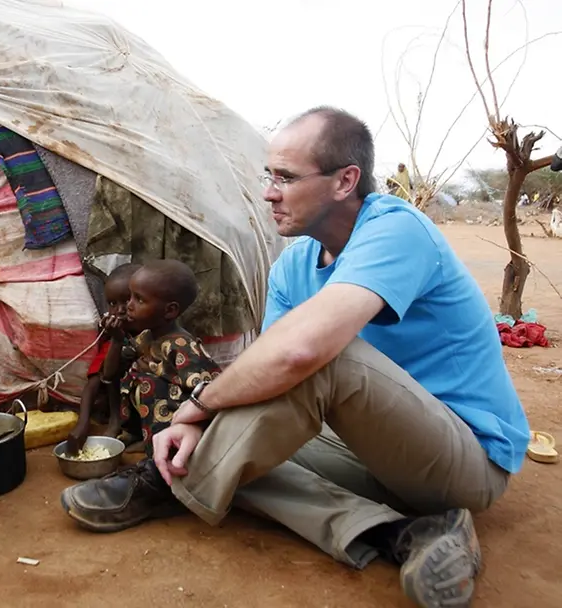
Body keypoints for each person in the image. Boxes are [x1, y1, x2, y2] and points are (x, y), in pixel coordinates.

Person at [59, 107, 529, 608]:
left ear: (345, 181)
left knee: (318, 359)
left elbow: (303, 351)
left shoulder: (396, 230)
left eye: (285, 178)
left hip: (461, 459)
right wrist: (204, 423)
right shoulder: (293, 267)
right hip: (367, 450)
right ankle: (397, 533)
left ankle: (170, 485)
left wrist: (199, 406)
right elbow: (267, 369)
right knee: (225, 445)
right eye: (269, 176)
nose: (269, 192)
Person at [102, 260, 220, 456]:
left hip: (185, 421)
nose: (128, 306)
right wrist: (116, 339)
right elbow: (109, 374)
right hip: (160, 413)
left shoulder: (182, 346)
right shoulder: (147, 337)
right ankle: (140, 435)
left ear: (170, 310)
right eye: (130, 297)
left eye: (139, 300)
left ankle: (161, 452)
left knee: (150, 385)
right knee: (133, 375)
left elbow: (205, 393)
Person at [67, 263, 140, 452]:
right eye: (113, 303)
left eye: (127, 300)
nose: (120, 310)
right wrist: (82, 423)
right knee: (114, 365)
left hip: (150, 404)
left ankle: (142, 435)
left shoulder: (155, 332)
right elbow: (100, 378)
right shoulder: (114, 334)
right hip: (124, 404)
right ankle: (115, 421)